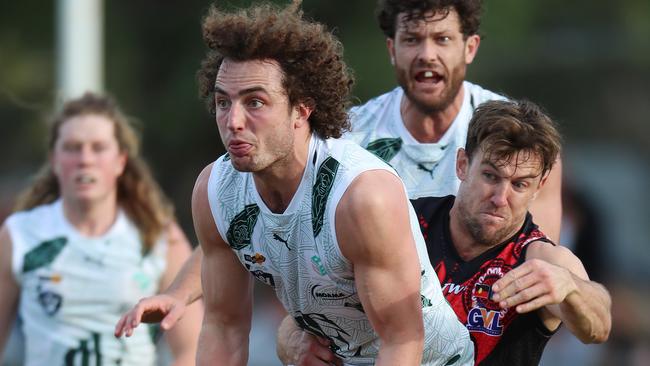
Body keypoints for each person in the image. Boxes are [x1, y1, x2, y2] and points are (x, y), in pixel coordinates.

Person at [116, 1, 474, 364]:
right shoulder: (214, 190)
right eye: (224, 102)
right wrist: (180, 292)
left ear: (302, 108)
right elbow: (224, 327)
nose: (234, 120)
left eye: (255, 102)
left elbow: (403, 339)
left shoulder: (362, 196)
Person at [279, 100, 611, 365]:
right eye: (491, 176)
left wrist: (570, 289)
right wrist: (291, 338)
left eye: (519, 184)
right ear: (463, 165)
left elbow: (599, 325)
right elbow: (312, 302)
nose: (500, 198)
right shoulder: (402, 221)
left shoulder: (540, 260)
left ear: (539, 187)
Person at [0, 92, 202, 366]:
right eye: (72, 147)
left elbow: (192, 347)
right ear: (54, 160)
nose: (85, 159)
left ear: (120, 161)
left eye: (98, 147)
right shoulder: (20, 234)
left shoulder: (157, 234)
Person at [347, 0, 562, 242]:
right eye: (411, 39)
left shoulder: (524, 141)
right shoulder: (349, 139)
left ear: (470, 48)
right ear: (392, 50)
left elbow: (537, 257)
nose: (427, 55)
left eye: (443, 39)